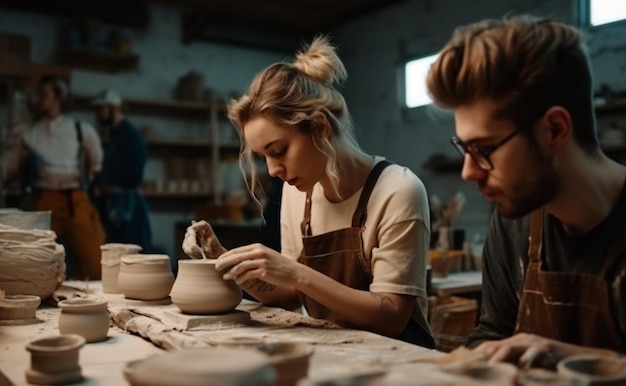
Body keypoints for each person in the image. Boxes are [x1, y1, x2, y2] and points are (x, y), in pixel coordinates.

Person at [182, 35, 435, 347]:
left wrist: (295, 273)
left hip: (402, 357)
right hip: (337, 349)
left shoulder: (398, 190)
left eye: (279, 151)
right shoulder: (297, 192)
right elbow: (290, 296)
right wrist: (224, 259)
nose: (273, 170)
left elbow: (393, 317)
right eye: (264, 157)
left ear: (320, 128)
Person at [426, 15, 626, 367]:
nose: (468, 171)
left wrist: (577, 360)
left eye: (484, 149)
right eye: (464, 148)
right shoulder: (513, 223)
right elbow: (492, 332)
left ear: (553, 129)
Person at [3, 74, 105, 281]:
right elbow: (8, 167)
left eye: (44, 93)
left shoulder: (81, 130)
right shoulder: (29, 133)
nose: (39, 98)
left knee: (96, 260)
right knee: (37, 260)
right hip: (44, 200)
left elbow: (97, 166)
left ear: (58, 97)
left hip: (75, 198)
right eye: (37, 94)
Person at [90, 89, 152, 252]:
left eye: (100, 109)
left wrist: (110, 185)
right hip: (113, 205)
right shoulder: (114, 135)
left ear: (114, 108)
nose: (97, 114)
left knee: (132, 255)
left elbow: (134, 175)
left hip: (127, 207)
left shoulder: (130, 136)